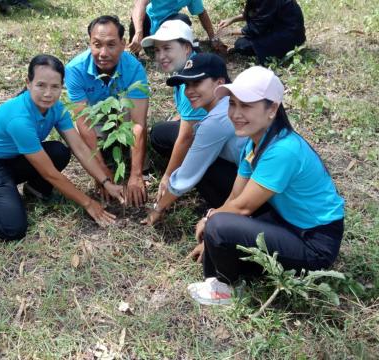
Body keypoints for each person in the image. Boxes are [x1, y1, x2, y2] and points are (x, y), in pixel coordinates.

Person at [188, 66, 345, 304]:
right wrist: (211, 238)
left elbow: (242, 209)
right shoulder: (254, 144)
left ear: (272, 109)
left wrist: (210, 221)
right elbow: (234, 198)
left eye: (247, 106)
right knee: (219, 224)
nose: (236, 114)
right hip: (287, 222)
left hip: (314, 242)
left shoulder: (283, 150)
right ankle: (227, 269)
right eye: (233, 104)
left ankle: (225, 291)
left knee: (219, 224)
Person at [0, 54, 125, 241]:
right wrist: (88, 203)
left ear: (62, 86)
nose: (48, 93)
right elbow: (50, 174)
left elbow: (79, 147)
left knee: (59, 151)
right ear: (28, 83)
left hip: (16, 158)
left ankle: (34, 190)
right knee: (12, 230)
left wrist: (105, 181)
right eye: (41, 85)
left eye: (55, 87)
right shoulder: (19, 118)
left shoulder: (57, 108)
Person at [142, 53, 246, 225]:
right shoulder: (227, 103)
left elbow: (186, 175)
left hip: (254, 189)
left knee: (197, 163)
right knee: (163, 133)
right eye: (186, 84)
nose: (189, 91)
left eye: (196, 83)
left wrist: (158, 207)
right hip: (246, 171)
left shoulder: (216, 120)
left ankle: (227, 213)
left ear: (220, 83)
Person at [65, 15, 149, 207]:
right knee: (80, 134)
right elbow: (84, 121)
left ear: (123, 44)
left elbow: (137, 123)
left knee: (130, 116)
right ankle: (105, 157)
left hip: (123, 116)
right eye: (97, 44)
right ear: (89, 44)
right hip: (96, 119)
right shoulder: (75, 69)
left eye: (111, 45)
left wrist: (136, 174)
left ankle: (139, 163)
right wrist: (101, 173)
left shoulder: (134, 68)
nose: (103, 53)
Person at [141, 20, 207, 208]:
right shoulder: (186, 69)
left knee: (161, 135)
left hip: (213, 144)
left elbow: (186, 136)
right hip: (207, 134)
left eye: (167, 48)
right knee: (159, 132)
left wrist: (168, 176)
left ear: (186, 48)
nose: (161, 56)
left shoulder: (192, 81)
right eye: (157, 50)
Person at [218, 0, 306, 64]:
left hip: (289, 34)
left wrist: (230, 32)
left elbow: (255, 28)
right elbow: (253, 13)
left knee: (242, 45)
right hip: (278, 26)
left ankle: (285, 50)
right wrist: (232, 19)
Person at [128, 0, 226, 55]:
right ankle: (134, 53)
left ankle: (165, 49)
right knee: (138, 17)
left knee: (183, 20)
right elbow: (139, 4)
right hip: (148, 22)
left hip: (166, 23)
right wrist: (138, 32)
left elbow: (201, 12)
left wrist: (213, 38)